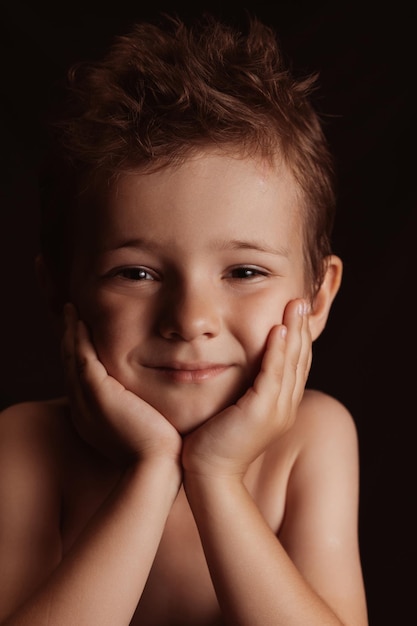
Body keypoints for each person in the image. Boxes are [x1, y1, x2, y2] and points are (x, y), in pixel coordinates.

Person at [0, 12, 368, 626]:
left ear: (319, 298)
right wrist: (150, 473)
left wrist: (216, 477)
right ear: (60, 289)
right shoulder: (25, 446)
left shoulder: (314, 439)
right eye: (136, 273)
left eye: (245, 272)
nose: (191, 319)